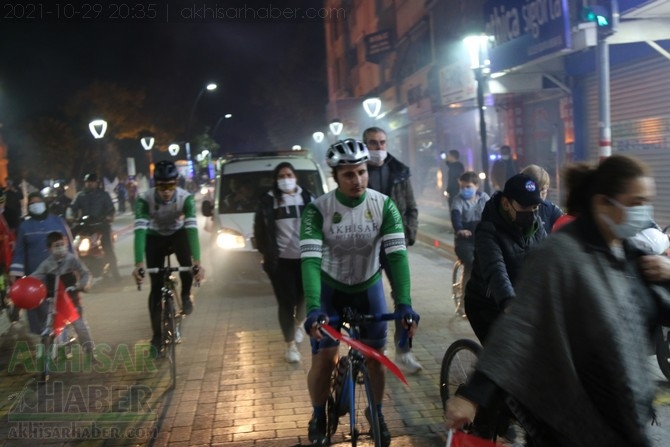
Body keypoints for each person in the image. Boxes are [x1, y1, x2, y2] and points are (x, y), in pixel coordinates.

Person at [445, 154, 670, 447]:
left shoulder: (629, 254)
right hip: (574, 426)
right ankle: (492, 415)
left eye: (646, 202)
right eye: (635, 202)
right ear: (603, 202)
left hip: (625, 421)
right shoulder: (561, 256)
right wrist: (474, 394)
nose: (644, 212)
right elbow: (517, 328)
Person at [300, 138, 419, 446]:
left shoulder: (384, 206)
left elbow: (396, 256)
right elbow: (311, 263)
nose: (358, 180)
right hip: (330, 289)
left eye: (362, 172)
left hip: (368, 287)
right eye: (349, 175)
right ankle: (317, 415)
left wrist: (404, 302)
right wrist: (314, 308)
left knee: (376, 358)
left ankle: (376, 412)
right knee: (324, 358)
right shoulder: (317, 211)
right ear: (335, 177)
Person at [363, 126, 422, 374]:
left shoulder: (399, 171)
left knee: (402, 297)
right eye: (373, 143)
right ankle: (370, 346)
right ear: (364, 145)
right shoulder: (358, 171)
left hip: (393, 242)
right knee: (367, 296)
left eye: (382, 143)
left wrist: (407, 233)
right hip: (365, 244)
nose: (379, 148)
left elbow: (411, 207)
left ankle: (404, 350)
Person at [464, 173, 547, 345]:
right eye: (524, 207)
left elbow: (549, 262)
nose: (531, 213)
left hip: (523, 304)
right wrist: (509, 303)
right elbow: (496, 270)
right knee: (502, 359)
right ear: (506, 204)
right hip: (487, 306)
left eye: (534, 207)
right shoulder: (488, 231)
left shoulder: (537, 227)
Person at [132, 160, 205, 355]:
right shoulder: (143, 199)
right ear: (155, 184)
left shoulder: (185, 198)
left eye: (170, 185)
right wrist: (138, 263)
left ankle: (185, 294)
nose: (166, 191)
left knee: (187, 265)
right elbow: (139, 233)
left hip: (177, 234)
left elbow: (192, 231)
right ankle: (156, 336)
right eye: (162, 186)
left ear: (176, 183)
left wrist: (197, 262)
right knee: (156, 288)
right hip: (154, 237)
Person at [254, 162, 314, 363]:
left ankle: (299, 325)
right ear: (276, 179)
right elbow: (259, 231)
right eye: (281, 176)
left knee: (304, 299)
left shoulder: (307, 197)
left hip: (306, 259)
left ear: (295, 176)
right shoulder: (268, 200)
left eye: (289, 174)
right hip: (281, 263)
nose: (286, 179)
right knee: (286, 303)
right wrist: (266, 253)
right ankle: (290, 346)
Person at [9, 191, 74, 334]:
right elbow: (19, 251)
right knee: (38, 306)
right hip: (35, 275)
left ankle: (63, 333)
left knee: (60, 304)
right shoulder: (25, 226)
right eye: (31, 203)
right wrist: (15, 273)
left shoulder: (57, 221)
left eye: (38, 202)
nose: (35, 205)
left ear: (44, 203)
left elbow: (69, 246)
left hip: (58, 272)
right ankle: (44, 337)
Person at [31, 231, 96, 355]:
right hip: (53, 301)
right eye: (56, 245)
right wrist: (25, 283)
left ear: (66, 244)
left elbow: (86, 273)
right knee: (48, 325)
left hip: (72, 299)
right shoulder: (47, 264)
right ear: (49, 248)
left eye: (62, 244)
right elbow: (35, 277)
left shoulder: (71, 259)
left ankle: (90, 350)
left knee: (79, 325)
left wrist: (80, 285)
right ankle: (48, 354)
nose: (60, 248)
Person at [69, 173, 121, 281]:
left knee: (107, 248)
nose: (90, 184)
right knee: (70, 241)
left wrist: (109, 216)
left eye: (92, 182)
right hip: (85, 225)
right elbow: (72, 208)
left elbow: (111, 208)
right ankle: (69, 273)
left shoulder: (103, 195)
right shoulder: (80, 195)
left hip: (101, 225)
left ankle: (115, 273)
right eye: (88, 182)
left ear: (96, 183)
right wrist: (70, 216)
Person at [450, 171, 490, 297]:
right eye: (462, 187)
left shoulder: (484, 198)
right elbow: (455, 216)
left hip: (483, 239)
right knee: (471, 262)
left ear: (476, 186)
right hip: (465, 241)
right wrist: (460, 229)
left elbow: (493, 214)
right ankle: (464, 298)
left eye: (468, 187)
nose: (465, 189)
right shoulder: (457, 200)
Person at [520, 164, 564, 234]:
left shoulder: (551, 209)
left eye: (543, 190)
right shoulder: (515, 208)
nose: (540, 195)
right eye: (536, 189)